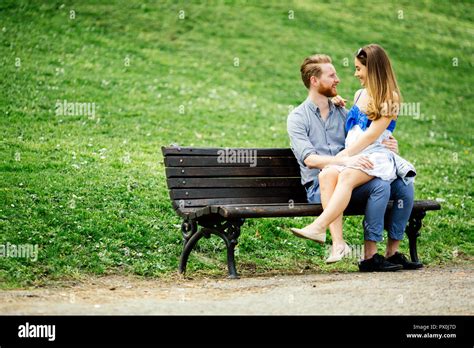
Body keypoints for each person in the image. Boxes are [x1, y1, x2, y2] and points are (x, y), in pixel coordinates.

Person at [287, 49, 421, 271]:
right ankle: (341, 244)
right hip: (326, 180)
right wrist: (344, 160)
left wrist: (389, 144)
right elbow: (310, 159)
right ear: (314, 80)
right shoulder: (298, 117)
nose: (341, 79)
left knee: (403, 186)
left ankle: (386, 253)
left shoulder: (342, 110)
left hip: (353, 168)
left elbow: (369, 133)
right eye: (332, 77)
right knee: (330, 173)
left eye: (358, 68)